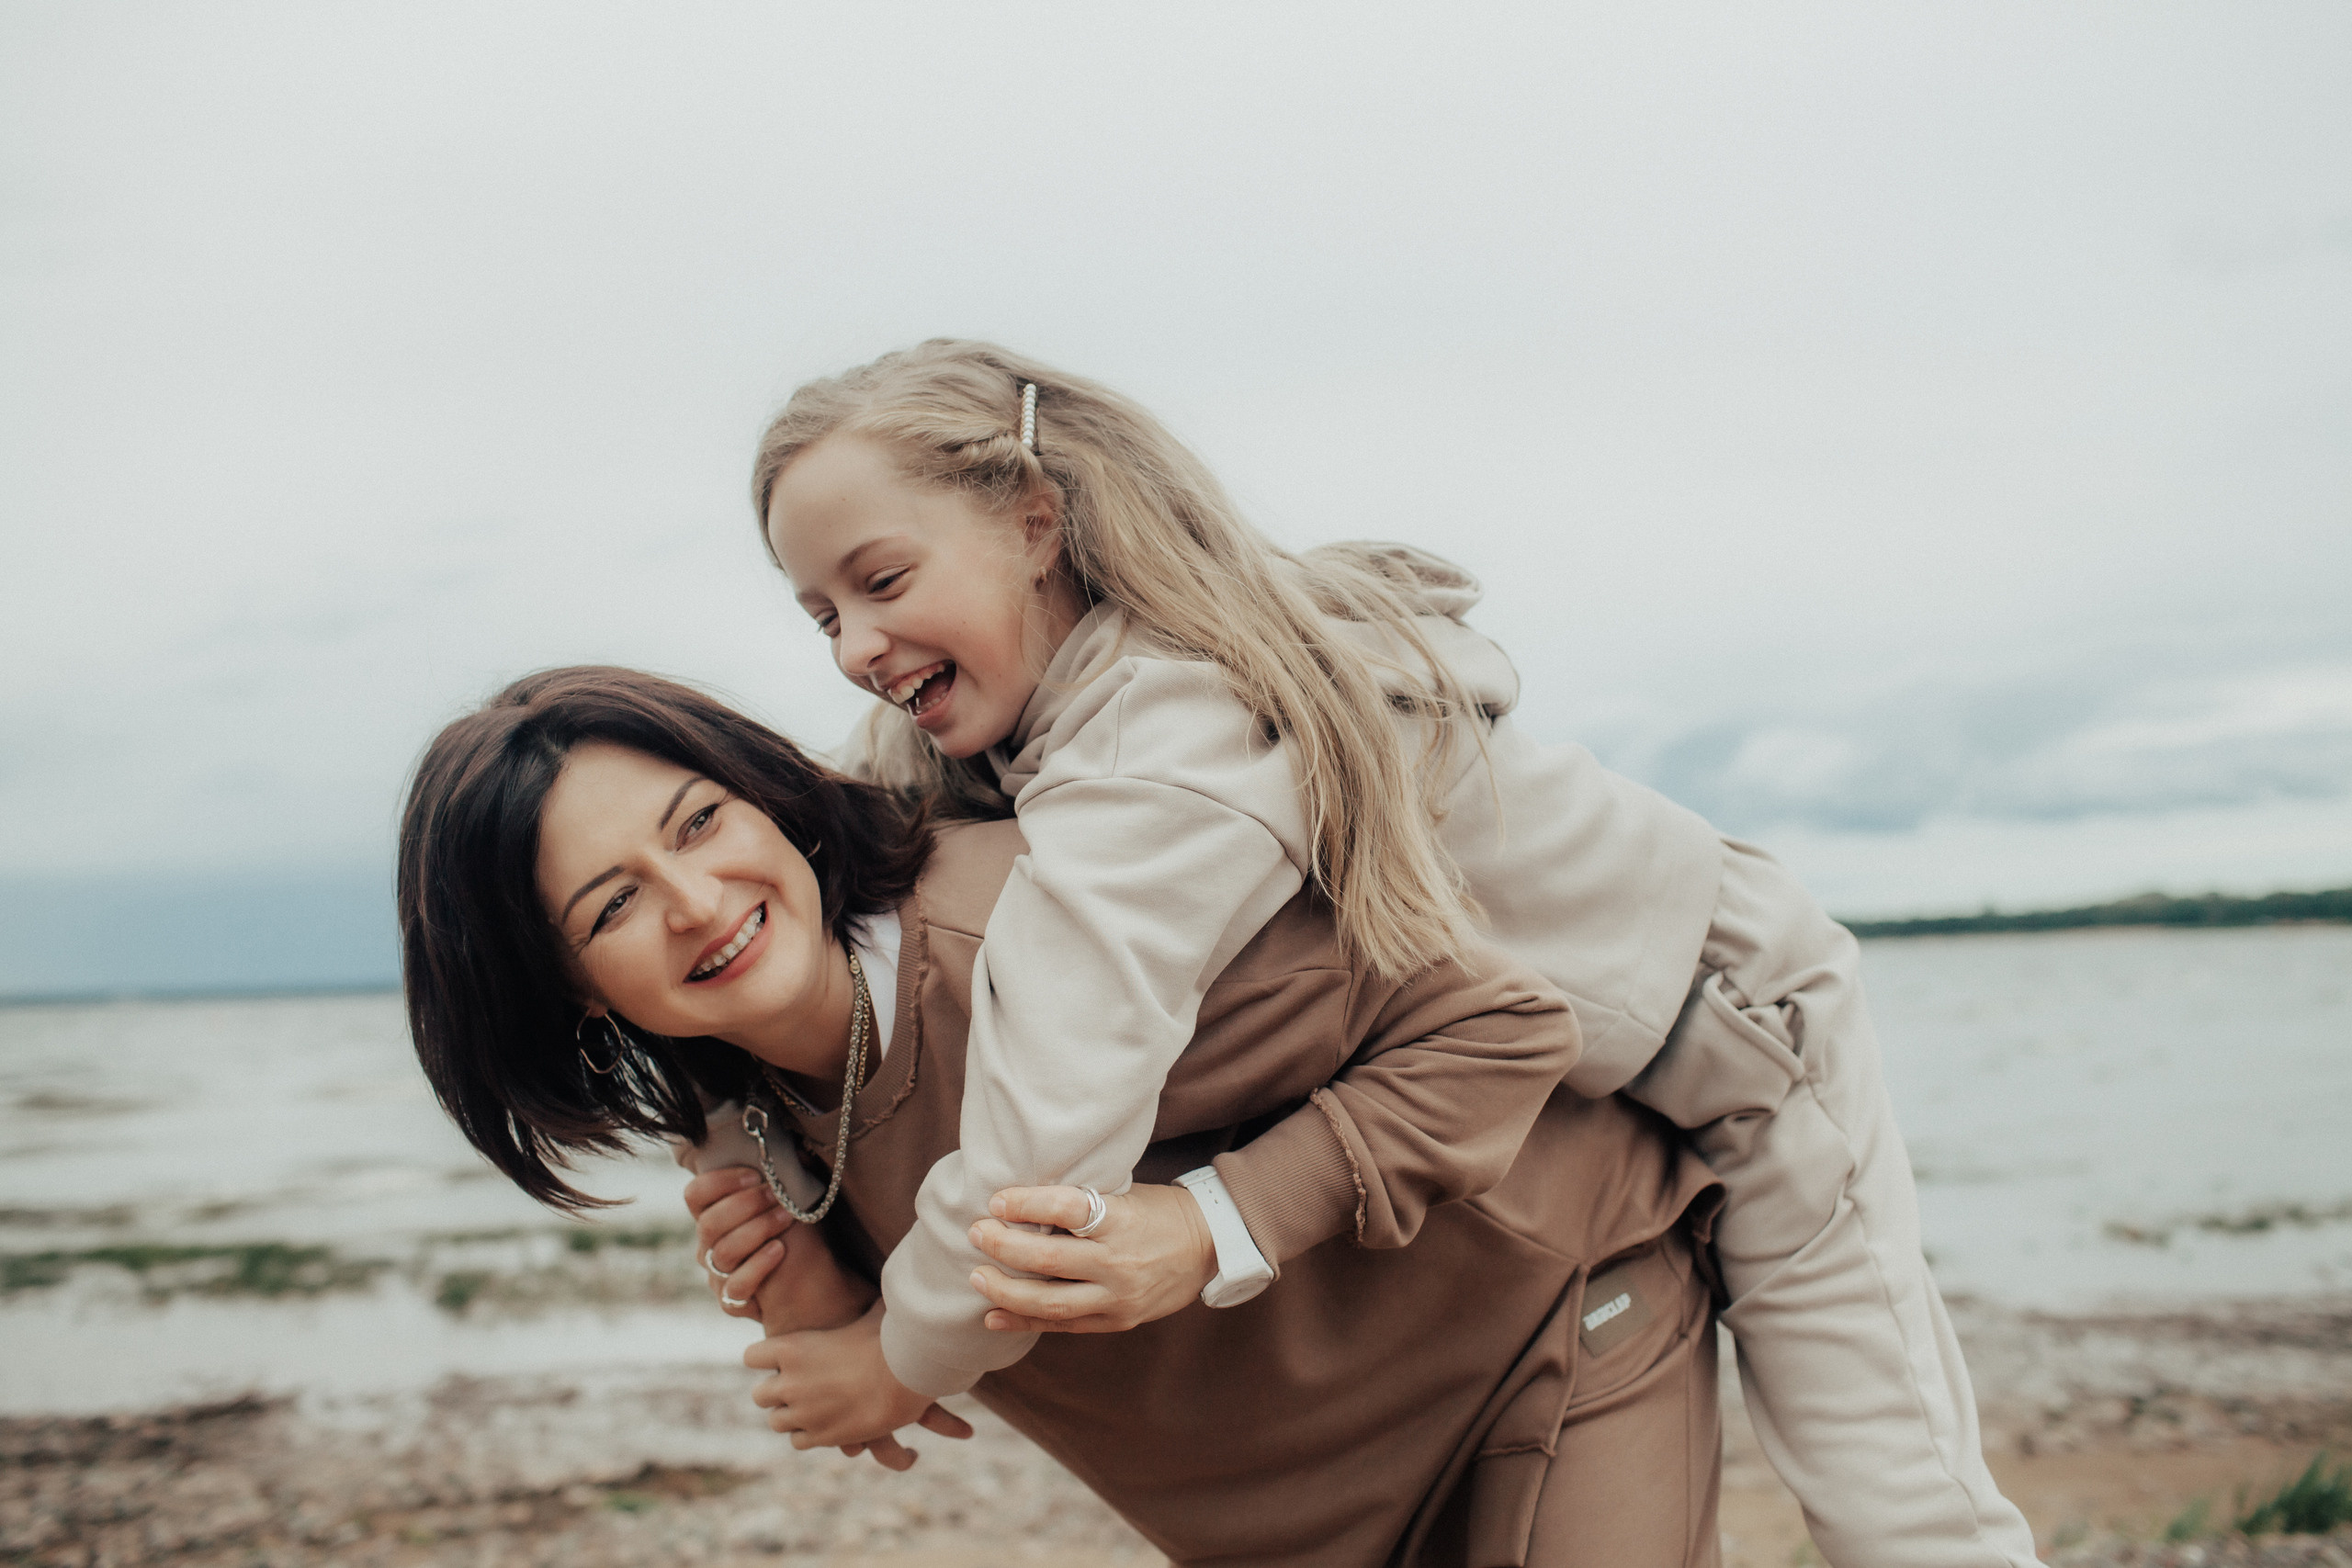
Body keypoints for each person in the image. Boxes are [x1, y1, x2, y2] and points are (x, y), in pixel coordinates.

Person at [737, 340, 2043, 1568]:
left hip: (1743, 1018)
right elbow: (805, 901)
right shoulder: (1027, 720)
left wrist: (892, 1358)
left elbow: (1046, 1137)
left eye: (884, 581)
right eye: (819, 615)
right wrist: (752, 1159)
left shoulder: (1170, 732)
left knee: (1894, 1488)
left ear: (1033, 520)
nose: (855, 646)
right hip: (1585, 1049)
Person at [395, 666, 1726, 1567]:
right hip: (1299, 1523)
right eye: (611, 906)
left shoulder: (1050, 930)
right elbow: (914, 1360)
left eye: (698, 822)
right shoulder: (743, 1126)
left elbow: (1496, 1022)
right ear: (564, 990)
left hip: (1549, 1335)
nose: (694, 900)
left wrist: (1214, 1223)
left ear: (766, 798)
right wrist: (825, 1312)